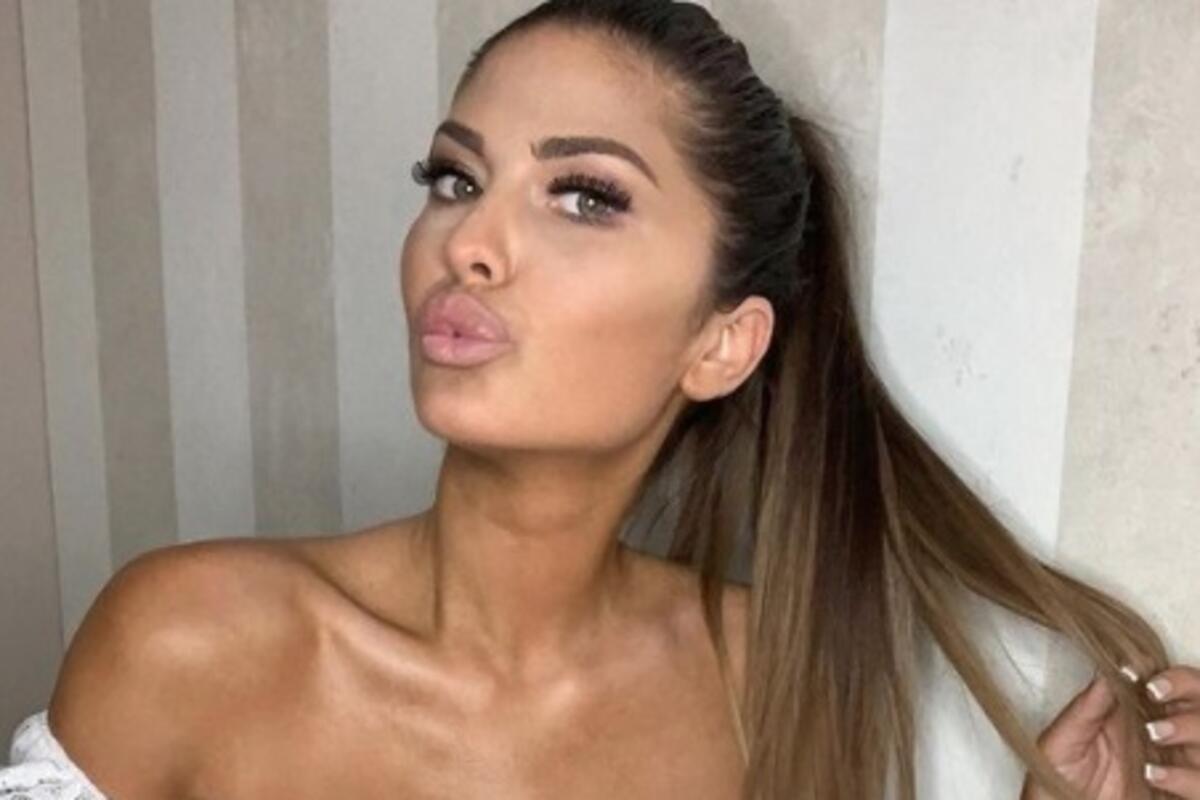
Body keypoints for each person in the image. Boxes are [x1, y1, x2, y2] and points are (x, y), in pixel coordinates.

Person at [3, 1, 1196, 798]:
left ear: (722, 344)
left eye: (584, 196)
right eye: (454, 177)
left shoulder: (763, 678)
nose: (469, 239)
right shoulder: (188, 640)